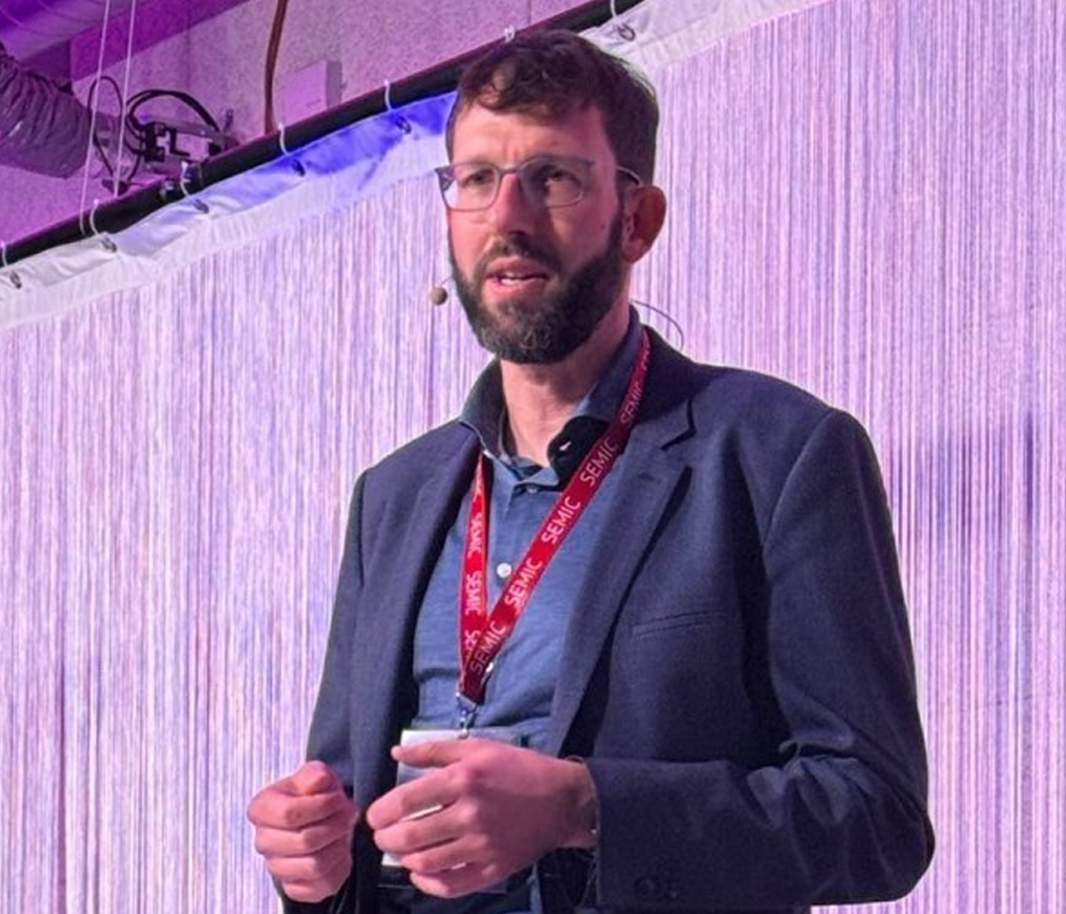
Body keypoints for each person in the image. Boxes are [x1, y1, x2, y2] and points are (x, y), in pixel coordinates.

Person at [248, 29, 933, 914]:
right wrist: (310, 860)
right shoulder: (394, 495)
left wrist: (584, 808)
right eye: (477, 178)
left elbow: (876, 819)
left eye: (553, 178)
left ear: (636, 220)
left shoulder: (777, 453)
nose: (507, 217)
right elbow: (343, 807)